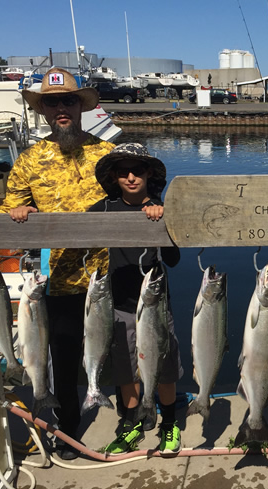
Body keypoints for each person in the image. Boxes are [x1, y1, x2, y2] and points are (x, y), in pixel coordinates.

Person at [0, 67, 116, 460]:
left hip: (104, 276)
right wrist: (16, 211)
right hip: (55, 280)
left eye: (68, 100)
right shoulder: (30, 160)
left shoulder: (107, 155)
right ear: (44, 111)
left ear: (81, 107)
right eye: (53, 102)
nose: (61, 109)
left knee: (110, 352)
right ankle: (68, 428)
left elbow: (131, 198)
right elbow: (6, 210)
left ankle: (130, 414)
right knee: (59, 356)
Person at [88, 143, 183, 455]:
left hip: (155, 306)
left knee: (164, 369)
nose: (130, 177)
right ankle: (131, 424)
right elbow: (68, 228)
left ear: (149, 174)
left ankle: (168, 423)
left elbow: (173, 260)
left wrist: (163, 220)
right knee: (126, 372)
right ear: (114, 176)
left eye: (137, 171)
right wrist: (28, 212)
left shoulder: (160, 208)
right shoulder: (103, 209)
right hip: (117, 304)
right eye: (123, 171)